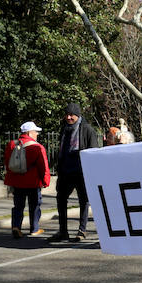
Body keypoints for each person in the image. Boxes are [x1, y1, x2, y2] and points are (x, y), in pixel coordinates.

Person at [49, 103, 101, 242]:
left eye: (71, 115)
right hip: (65, 171)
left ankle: (82, 230)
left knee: (83, 201)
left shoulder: (87, 129)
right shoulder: (64, 129)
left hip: (81, 171)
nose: (69, 117)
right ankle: (63, 231)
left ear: (77, 115)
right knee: (61, 199)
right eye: (67, 115)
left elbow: (93, 150)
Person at [3, 121, 50, 238]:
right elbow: (43, 166)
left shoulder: (12, 144)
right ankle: (34, 228)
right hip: (33, 182)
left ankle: (16, 226)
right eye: (35, 132)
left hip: (16, 182)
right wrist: (45, 181)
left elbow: (7, 163)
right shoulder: (37, 147)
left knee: (18, 206)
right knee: (34, 205)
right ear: (29, 132)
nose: (37, 134)